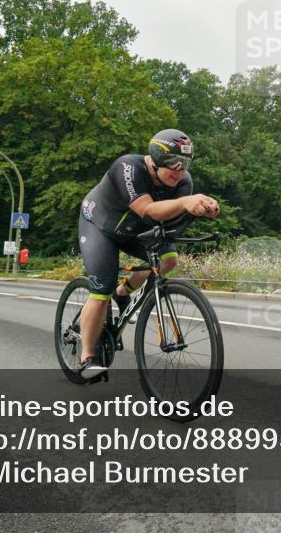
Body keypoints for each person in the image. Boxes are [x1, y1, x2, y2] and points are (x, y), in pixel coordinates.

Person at [76, 129, 219, 380]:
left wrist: (199, 209)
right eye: (174, 163)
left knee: (168, 260)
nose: (180, 170)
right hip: (100, 226)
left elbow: (171, 221)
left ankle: (123, 293)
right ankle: (87, 357)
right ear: (156, 159)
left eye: (185, 164)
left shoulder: (183, 183)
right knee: (101, 289)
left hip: (135, 231)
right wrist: (187, 203)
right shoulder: (128, 168)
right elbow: (148, 209)